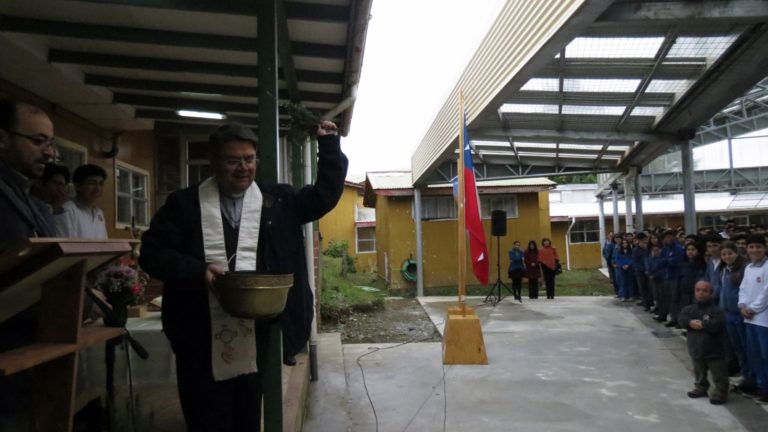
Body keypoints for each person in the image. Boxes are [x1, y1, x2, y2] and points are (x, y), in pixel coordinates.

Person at [139, 121, 347, 430]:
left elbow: (323, 196)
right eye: (233, 160)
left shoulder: (276, 201)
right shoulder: (183, 205)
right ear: (213, 161)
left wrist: (328, 147)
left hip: (254, 333)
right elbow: (152, 254)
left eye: (249, 159)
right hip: (199, 331)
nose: (243, 167)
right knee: (205, 416)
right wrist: (197, 271)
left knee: (247, 416)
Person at [0, 100, 57, 430]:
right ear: (3, 138)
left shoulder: (31, 198)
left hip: (34, 337)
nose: (48, 153)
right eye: (38, 141)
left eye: (50, 143)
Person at [715, 241, 758, 395]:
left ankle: (752, 377)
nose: (727, 256)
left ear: (736, 253)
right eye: (724, 254)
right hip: (727, 313)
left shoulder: (744, 268)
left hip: (740, 314)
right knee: (737, 347)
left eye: (730, 253)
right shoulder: (723, 269)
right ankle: (745, 375)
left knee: (747, 348)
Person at [679, 280, 729, 405]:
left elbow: (717, 325)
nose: (701, 293)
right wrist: (690, 323)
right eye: (698, 290)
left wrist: (703, 324)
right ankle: (701, 387)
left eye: (705, 291)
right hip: (695, 348)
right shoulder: (689, 309)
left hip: (713, 350)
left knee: (719, 373)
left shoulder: (716, 311)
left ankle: (720, 392)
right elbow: (682, 318)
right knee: (699, 371)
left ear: (711, 294)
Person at [737, 234, 768, 404]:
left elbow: (766, 294)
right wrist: (742, 305)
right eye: (751, 247)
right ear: (747, 249)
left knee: (766, 355)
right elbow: (743, 288)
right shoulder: (748, 267)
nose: (755, 250)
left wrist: (752, 309)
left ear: (765, 248)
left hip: (763, 320)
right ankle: (761, 385)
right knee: (754, 354)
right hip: (749, 318)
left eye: (758, 246)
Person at [54, 164, 108, 239]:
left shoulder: (99, 213)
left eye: (101, 184)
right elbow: (65, 247)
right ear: (77, 186)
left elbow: (104, 243)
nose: (98, 188)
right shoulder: (67, 210)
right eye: (92, 183)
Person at [673, 242, 707, 328]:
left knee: (697, 313)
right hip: (685, 293)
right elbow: (679, 279)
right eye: (688, 250)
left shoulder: (702, 264)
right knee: (687, 313)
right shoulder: (683, 264)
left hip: (697, 293)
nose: (690, 252)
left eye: (693, 249)